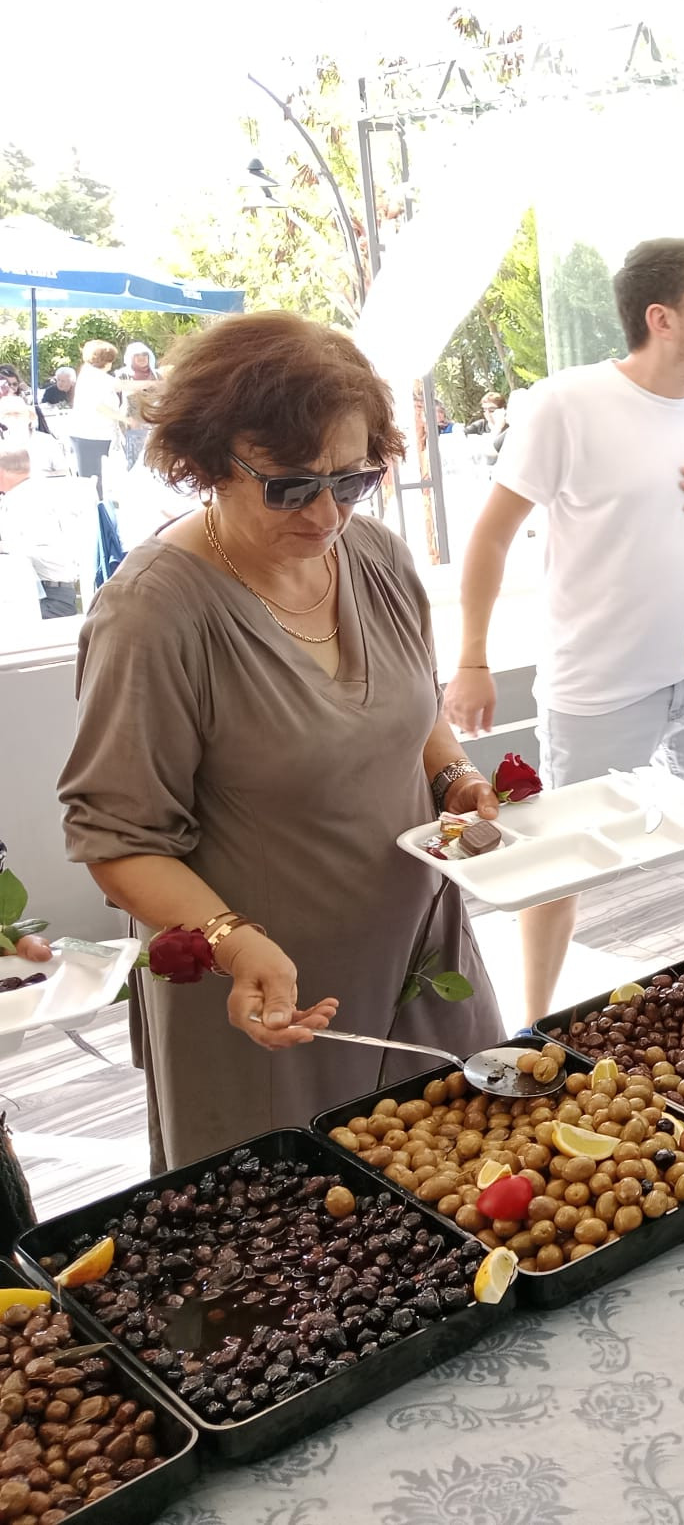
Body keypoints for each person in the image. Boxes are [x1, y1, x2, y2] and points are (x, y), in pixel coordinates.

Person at [57, 311, 504, 1170]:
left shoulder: (375, 556)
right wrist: (235, 942)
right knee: (300, 1228)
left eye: (353, 480)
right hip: (273, 1000)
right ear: (207, 462)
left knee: (465, 1185)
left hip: (424, 955)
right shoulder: (153, 614)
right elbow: (117, 842)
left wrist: (456, 777)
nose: (328, 513)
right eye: (292, 487)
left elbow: (414, 707)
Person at [443, 237, 684, 1026]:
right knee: (558, 866)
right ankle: (530, 1025)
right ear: (662, 318)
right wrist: (472, 658)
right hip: (597, 683)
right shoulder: (565, 404)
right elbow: (490, 536)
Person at [0, 443, 85, 617]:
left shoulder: (21, 500)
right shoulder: (40, 490)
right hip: (51, 592)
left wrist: (3, 547)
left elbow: (30, 553)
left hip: (47, 596)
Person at [69, 341, 124, 496]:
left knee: (96, 477)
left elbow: (119, 385)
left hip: (93, 434)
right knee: (92, 479)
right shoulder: (94, 377)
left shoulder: (91, 374)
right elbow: (100, 407)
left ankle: (97, 502)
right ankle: (95, 505)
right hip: (91, 434)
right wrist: (125, 419)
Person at [118, 343, 160, 470]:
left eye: (145, 355)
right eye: (137, 355)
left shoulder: (157, 375)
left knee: (153, 461)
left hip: (154, 422)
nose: (142, 358)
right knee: (134, 461)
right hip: (133, 422)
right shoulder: (123, 374)